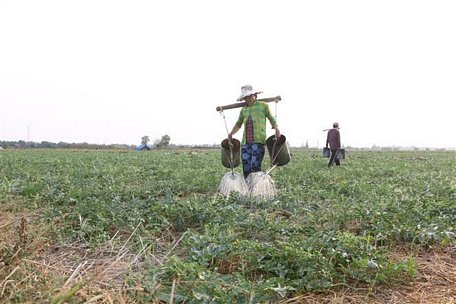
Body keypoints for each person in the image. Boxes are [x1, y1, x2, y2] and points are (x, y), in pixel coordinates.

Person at [228, 84, 281, 178]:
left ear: (254, 95)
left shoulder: (263, 106)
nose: (247, 99)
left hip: (258, 141)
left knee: (255, 165)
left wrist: (277, 129)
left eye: (249, 96)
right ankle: (248, 186)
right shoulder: (244, 110)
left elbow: (272, 119)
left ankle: (256, 185)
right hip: (245, 143)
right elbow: (238, 123)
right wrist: (231, 133)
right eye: (245, 97)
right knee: (246, 166)